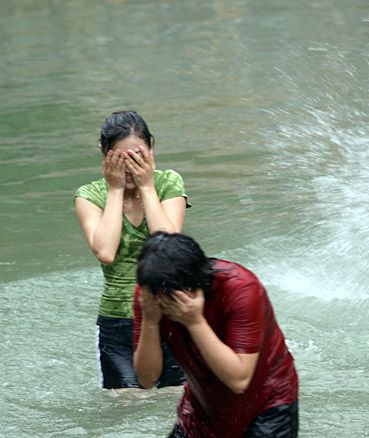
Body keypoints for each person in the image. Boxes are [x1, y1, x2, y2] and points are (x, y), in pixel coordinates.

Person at [133, 232, 299, 438]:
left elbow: (239, 380)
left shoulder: (240, 288)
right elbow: (146, 379)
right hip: (203, 406)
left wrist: (194, 321)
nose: (163, 301)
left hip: (267, 406)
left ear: (192, 284)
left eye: (171, 295)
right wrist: (150, 320)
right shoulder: (150, 294)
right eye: (156, 293)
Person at [74, 111, 188, 389]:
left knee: (175, 398)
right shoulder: (90, 195)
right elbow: (105, 252)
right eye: (120, 159)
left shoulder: (168, 182)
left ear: (151, 148)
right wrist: (115, 191)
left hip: (170, 314)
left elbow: (167, 246)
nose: (129, 168)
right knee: (127, 403)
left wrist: (146, 186)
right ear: (104, 153)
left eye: (137, 157)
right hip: (117, 320)